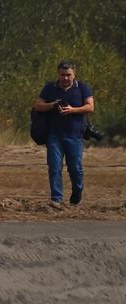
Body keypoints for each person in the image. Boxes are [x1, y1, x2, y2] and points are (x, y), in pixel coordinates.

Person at [34, 60, 95, 207]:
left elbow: (90, 107)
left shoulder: (83, 88)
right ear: (58, 74)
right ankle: (56, 198)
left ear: (74, 74)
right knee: (54, 167)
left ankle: (77, 192)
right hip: (54, 135)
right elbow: (38, 105)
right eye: (62, 75)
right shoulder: (50, 88)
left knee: (76, 168)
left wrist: (72, 110)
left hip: (75, 136)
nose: (65, 78)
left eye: (68, 75)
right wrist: (52, 105)